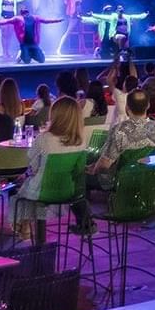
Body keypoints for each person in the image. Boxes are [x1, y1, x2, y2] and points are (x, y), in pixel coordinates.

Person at [16, 99, 95, 237]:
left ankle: (25, 227)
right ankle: (29, 227)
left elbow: (33, 167)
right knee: (32, 185)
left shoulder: (43, 139)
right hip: (67, 192)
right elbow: (78, 171)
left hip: (42, 193)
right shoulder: (80, 142)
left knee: (24, 187)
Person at [90, 89, 155, 190]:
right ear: (148, 105)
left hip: (123, 184)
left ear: (127, 107)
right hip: (152, 182)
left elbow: (104, 165)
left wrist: (94, 168)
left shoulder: (119, 131)